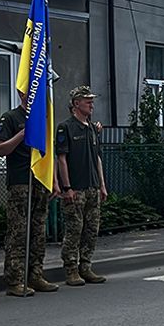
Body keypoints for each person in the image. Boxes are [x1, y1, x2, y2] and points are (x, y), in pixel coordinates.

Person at [0, 89, 61, 296]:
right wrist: (21, 135)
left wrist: (54, 180)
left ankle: (35, 274)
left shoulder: (42, 118)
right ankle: (15, 279)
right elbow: (1, 149)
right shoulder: (11, 117)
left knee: (38, 231)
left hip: (40, 179)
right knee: (18, 232)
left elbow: (48, 152)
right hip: (20, 181)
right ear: (22, 94)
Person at [56, 86, 108, 286]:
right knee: (74, 230)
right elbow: (61, 159)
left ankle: (86, 266)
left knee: (91, 229)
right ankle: (71, 269)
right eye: (87, 101)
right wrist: (67, 187)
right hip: (76, 188)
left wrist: (102, 185)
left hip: (92, 187)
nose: (91, 105)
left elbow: (97, 158)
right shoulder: (66, 127)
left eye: (92, 101)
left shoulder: (92, 129)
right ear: (76, 103)